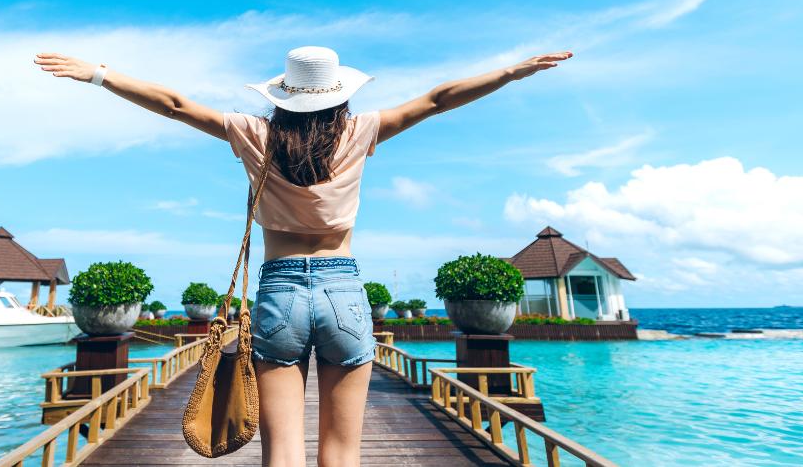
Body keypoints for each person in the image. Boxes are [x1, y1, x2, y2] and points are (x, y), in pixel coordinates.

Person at [34, 46, 571, 467]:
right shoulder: (362, 131)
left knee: (283, 455)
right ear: (339, 95)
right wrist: (510, 73)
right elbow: (437, 98)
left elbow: (174, 105)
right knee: (342, 454)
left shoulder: (254, 133)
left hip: (279, 292)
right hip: (343, 291)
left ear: (284, 95)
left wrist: (100, 75)